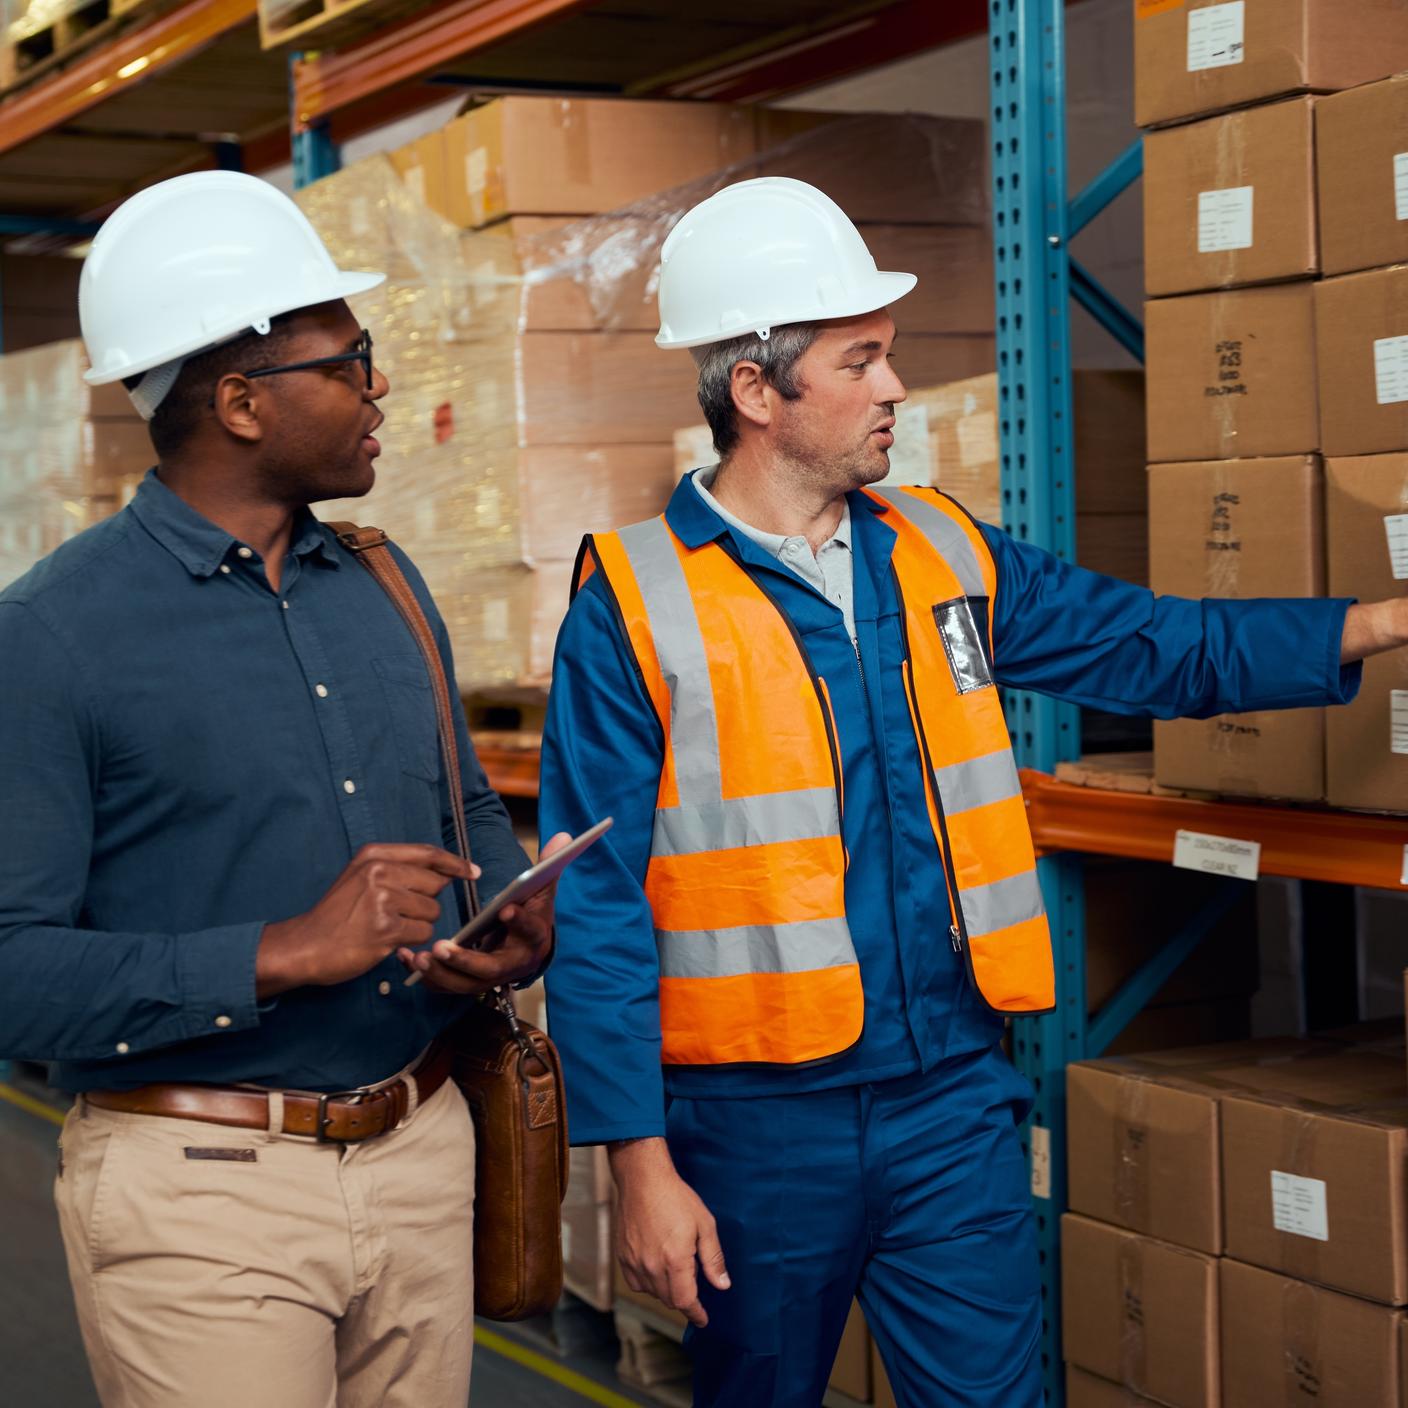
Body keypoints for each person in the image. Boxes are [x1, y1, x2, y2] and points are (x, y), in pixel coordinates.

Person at [538, 177, 1408, 1407]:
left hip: (949, 1094)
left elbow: (1158, 646)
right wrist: (638, 1162)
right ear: (755, 391)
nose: (894, 387)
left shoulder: (941, 547)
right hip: (752, 1127)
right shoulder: (633, 603)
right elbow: (599, 908)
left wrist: (1379, 621)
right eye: (861, 361)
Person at [0, 170, 565, 1408]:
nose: (379, 390)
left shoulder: (384, 580)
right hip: (201, 1182)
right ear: (241, 402)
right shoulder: (50, 637)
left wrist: (511, 912)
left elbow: (466, 806)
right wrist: (281, 951)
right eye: (351, 361)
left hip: (421, 1150)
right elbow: (12, 970)